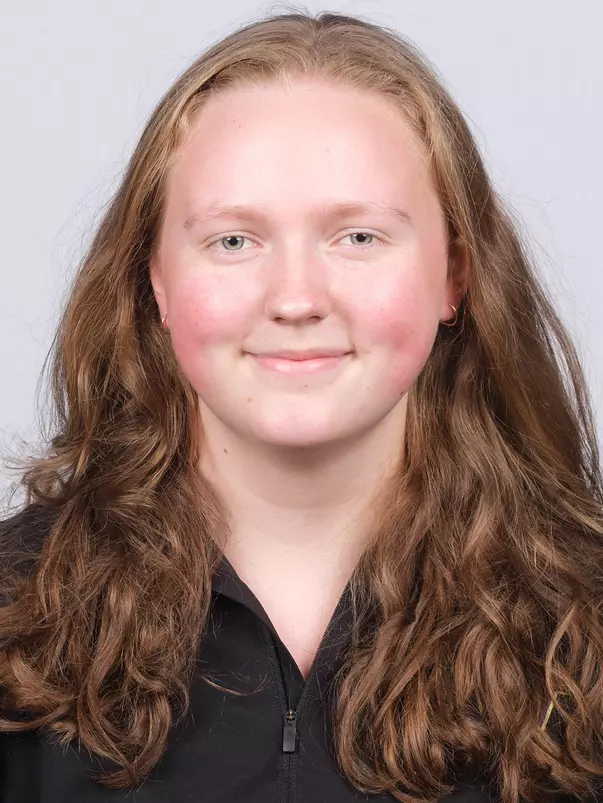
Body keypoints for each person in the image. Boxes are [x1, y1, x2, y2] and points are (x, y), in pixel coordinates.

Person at [1, 8, 602, 802]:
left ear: (454, 276)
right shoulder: (14, 611)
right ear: (156, 280)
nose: (295, 298)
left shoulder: (583, 622)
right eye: (233, 241)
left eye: (357, 237)